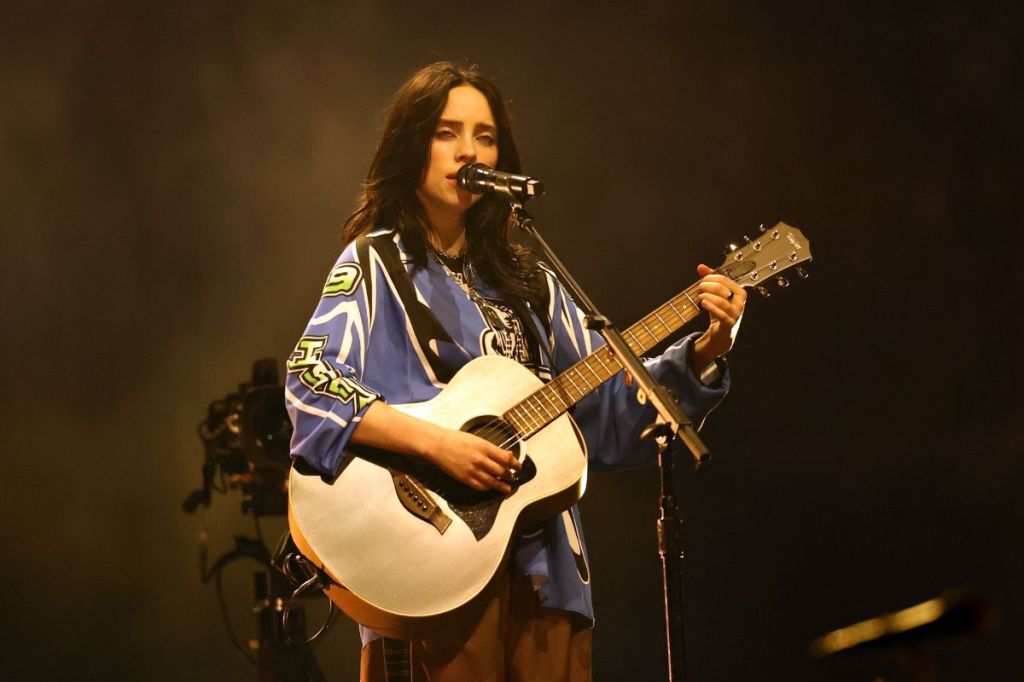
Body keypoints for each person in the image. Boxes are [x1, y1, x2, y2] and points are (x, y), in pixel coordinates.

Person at [285, 61, 747, 681]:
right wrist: (440, 446)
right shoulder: (375, 264)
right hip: (427, 569)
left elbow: (609, 415)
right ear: (412, 143)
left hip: (547, 578)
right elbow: (310, 380)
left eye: (485, 136)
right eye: (447, 132)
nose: (468, 150)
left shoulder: (532, 284)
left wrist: (706, 348)